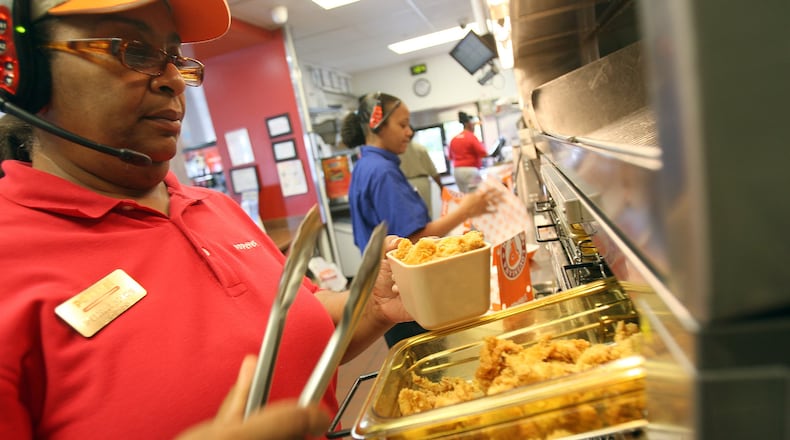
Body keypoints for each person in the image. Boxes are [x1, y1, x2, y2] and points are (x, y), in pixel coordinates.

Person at [0, 1, 414, 439]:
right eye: (135, 50)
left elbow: (307, 326)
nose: (175, 80)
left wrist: (370, 305)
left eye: (176, 57)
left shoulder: (215, 207)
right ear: (26, 73)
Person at [341, 92, 500, 347]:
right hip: (403, 291)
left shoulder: (365, 165)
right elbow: (414, 240)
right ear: (377, 126)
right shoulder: (382, 172)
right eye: (402, 125)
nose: (409, 132)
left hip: (389, 285)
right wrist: (465, 209)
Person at [399, 128, 442, 217]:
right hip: (422, 183)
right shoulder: (420, 148)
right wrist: (441, 186)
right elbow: (432, 170)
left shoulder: (397, 151)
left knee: (410, 214)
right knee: (426, 211)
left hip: (405, 183)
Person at [448, 111, 489, 193]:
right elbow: (483, 153)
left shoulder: (454, 139)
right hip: (470, 171)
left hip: (457, 172)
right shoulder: (471, 137)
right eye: (473, 124)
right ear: (468, 124)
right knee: (478, 196)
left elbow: (450, 157)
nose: (474, 127)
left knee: (465, 197)